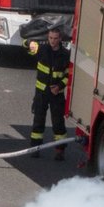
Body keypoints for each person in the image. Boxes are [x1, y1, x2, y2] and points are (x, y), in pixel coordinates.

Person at [26, 27, 69, 159]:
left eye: (55, 38)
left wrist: (59, 86)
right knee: (38, 121)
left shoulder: (66, 55)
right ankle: (35, 148)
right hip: (41, 93)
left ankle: (60, 150)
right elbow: (26, 44)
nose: (52, 41)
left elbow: (68, 75)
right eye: (50, 38)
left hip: (57, 94)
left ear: (60, 39)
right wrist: (30, 43)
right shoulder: (43, 49)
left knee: (58, 123)